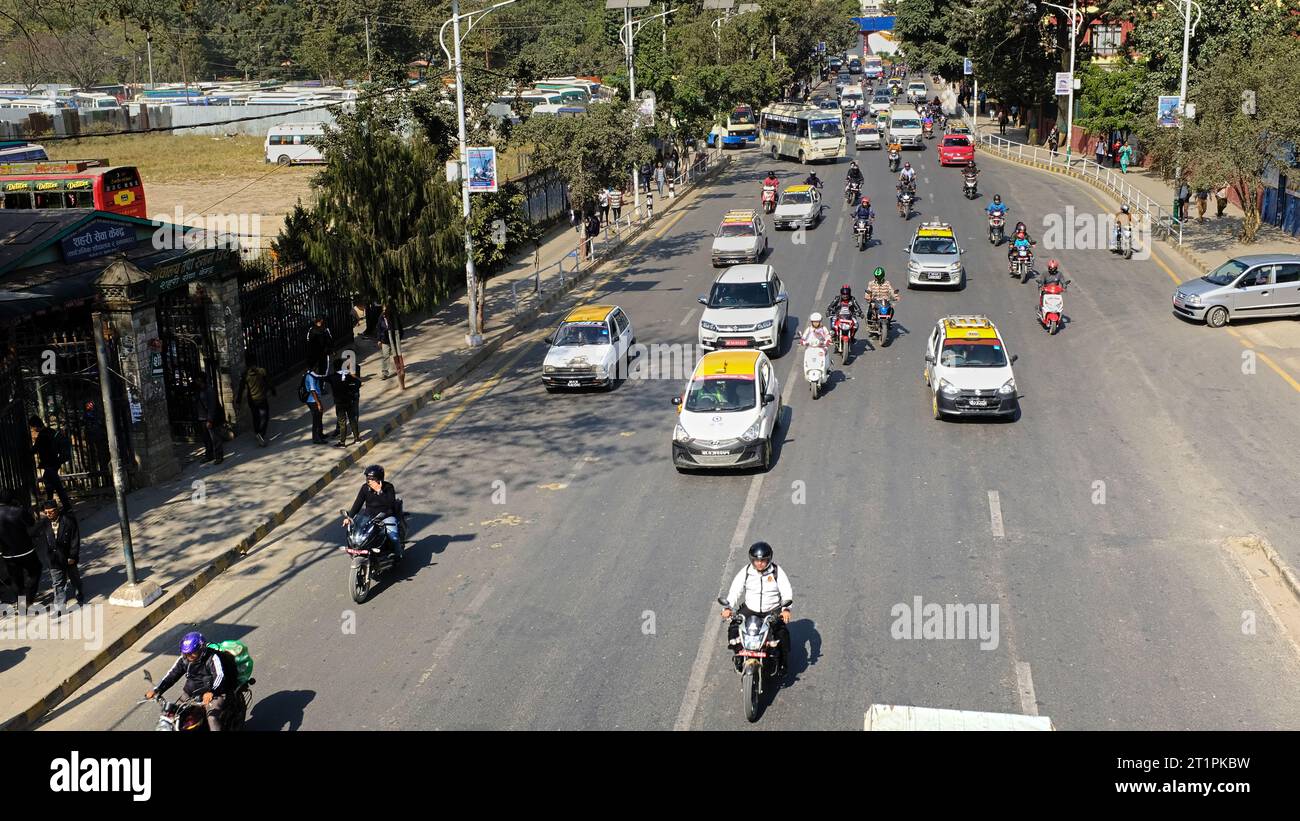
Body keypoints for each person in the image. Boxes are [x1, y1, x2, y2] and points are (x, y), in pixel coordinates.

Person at [721, 542, 794, 677]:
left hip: (772, 610)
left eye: (763, 560)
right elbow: (735, 590)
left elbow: (786, 592)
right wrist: (728, 607)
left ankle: (783, 663)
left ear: (769, 559)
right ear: (752, 560)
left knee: (782, 634)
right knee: (733, 628)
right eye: (756, 561)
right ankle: (738, 654)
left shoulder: (777, 572)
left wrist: (786, 610)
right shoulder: (746, 572)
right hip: (751, 609)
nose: (759, 563)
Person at [146, 632, 240, 732]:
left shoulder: (212, 657)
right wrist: (157, 690)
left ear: (201, 649)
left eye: (192, 653)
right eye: (186, 653)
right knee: (174, 716)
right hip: (191, 694)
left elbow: (220, 676)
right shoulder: (184, 659)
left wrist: (212, 691)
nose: (189, 656)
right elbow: (171, 675)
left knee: (212, 718)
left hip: (216, 693)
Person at [344, 464, 402, 559]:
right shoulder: (365, 488)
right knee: (357, 535)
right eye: (367, 478)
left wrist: (380, 492)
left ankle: (398, 554)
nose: (369, 481)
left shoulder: (388, 487)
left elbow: (390, 504)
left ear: (379, 479)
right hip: (369, 517)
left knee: (394, 537)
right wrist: (349, 517)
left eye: (372, 479)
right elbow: (357, 504)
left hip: (386, 517)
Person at [35, 499, 82, 610]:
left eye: (51, 512)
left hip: (68, 556)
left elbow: (75, 539)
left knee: (74, 577)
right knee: (58, 583)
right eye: (46, 512)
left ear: (57, 510)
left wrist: (72, 556)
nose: (48, 514)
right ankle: (60, 607)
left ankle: (79, 591)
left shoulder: (68, 520)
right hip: (53, 559)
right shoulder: (44, 523)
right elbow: (31, 532)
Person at [0, 488, 41, 604]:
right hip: (26, 550)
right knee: (35, 571)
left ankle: (22, 604)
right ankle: (29, 596)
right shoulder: (18, 511)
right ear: (12, 498)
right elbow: (31, 523)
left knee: (16, 580)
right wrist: (21, 508)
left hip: (8, 554)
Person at [29, 416, 71, 510]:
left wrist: (26, 452)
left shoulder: (43, 435)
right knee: (49, 482)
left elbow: (35, 449)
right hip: (55, 462)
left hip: (50, 463)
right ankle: (50, 503)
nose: (33, 429)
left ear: (35, 426)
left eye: (32, 427)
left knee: (56, 485)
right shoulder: (50, 431)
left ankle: (64, 506)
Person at [235, 353, 274, 447]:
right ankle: (261, 433)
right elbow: (268, 382)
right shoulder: (261, 371)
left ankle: (257, 432)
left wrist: (238, 401)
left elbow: (241, 389)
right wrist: (273, 390)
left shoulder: (245, 375)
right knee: (264, 416)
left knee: (256, 416)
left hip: (252, 400)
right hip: (262, 398)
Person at [330, 356, 362, 447]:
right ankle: (356, 438)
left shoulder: (335, 377)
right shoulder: (346, 375)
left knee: (342, 421)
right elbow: (358, 383)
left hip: (340, 402)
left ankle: (343, 442)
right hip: (349, 400)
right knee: (351, 418)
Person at [195, 370, 225, 465]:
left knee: (215, 438)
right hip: (202, 418)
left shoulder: (209, 390)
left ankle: (219, 456)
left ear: (200, 380)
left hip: (210, 418)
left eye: (197, 379)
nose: (196, 381)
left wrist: (210, 419)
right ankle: (209, 455)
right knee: (206, 439)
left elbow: (212, 406)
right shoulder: (199, 390)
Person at [377, 303, 405, 386]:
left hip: (394, 340)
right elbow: (378, 329)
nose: (384, 312)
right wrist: (379, 340)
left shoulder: (394, 317)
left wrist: (399, 338)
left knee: (397, 355)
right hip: (385, 340)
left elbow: (400, 328)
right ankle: (384, 372)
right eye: (383, 310)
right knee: (385, 355)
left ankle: (399, 369)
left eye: (385, 310)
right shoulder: (381, 318)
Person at [301, 367, 327, 445]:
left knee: (319, 416)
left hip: (314, 400)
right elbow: (312, 390)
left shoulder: (312, 374)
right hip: (312, 400)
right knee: (316, 419)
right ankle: (316, 438)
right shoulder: (310, 376)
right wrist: (318, 403)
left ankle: (320, 434)